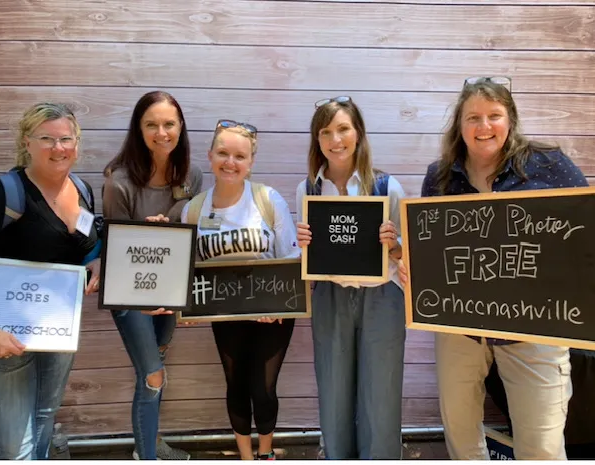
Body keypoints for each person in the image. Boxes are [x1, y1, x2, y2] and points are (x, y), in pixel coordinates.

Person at [399, 76, 586, 459]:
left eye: (494, 116)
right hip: (460, 329)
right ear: (460, 126)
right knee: (463, 441)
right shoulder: (439, 178)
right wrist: (410, 267)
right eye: (473, 118)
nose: (484, 127)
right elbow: (429, 252)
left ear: (510, 119)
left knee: (543, 448)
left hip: (536, 327)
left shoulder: (550, 166)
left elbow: (588, 231)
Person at [0, 102, 101, 459]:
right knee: (17, 444)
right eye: (47, 138)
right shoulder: (1, 194)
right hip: (3, 336)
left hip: (56, 333)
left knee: (44, 421)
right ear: (26, 142)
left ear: (77, 142)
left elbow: (86, 240)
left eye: (66, 138)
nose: (58, 147)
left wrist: (97, 261)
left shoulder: (82, 190)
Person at [179, 119, 299, 460]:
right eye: (223, 153)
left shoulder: (266, 198)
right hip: (225, 313)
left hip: (271, 314)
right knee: (235, 387)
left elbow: (291, 255)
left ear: (251, 162)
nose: (230, 162)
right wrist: (184, 306)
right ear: (210, 155)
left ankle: (266, 452)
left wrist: (278, 306)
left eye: (239, 156)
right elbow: (187, 267)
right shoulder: (195, 209)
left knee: (262, 389)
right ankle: (245, 455)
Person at [295, 96, 406, 459]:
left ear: (358, 134)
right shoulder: (307, 190)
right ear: (317, 139)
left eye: (343, 129)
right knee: (334, 391)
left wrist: (394, 245)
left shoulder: (387, 187)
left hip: (382, 297)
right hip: (330, 295)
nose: (335, 139)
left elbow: (408, 260)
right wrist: (303, 246)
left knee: (381, 393)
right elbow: (304, 260)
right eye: (325, 132)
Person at [101, 91, 202, 460]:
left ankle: (151, 441)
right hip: (131, 297)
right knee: (152, 374)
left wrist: (184, 300)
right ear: (138, 129)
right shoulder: (120, 181)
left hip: (170, 293)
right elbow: (114, 249)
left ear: (181, 127)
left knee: (157, 366)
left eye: (169, 123)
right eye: (151, 124)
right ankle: (147, 456)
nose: (162, 132)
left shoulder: (192, 175)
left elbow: (192, 236)